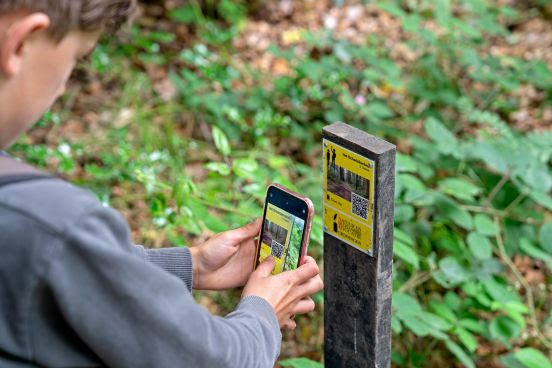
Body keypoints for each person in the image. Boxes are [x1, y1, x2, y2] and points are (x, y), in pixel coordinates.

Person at [0, 1, 323, 367]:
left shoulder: (35, 226)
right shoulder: (54, 225)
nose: (61, 88)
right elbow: (212, 361)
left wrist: (192, 264)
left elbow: (48, 273)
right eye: (76, 57)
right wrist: (264, 312)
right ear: (21, 43)